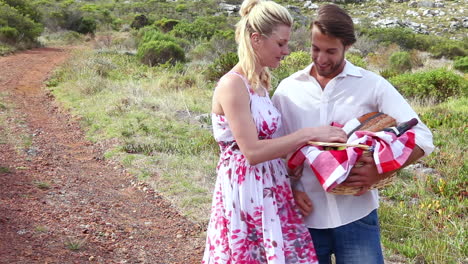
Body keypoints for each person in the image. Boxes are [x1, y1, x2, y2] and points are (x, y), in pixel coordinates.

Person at [272, 4, 435, 264]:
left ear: (347, 46)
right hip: (304, 217)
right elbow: (275, 150)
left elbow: (423, 136)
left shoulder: (372, 85)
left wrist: (382, 171)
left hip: (357, 216)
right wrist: (290, 188)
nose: (322, 58)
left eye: (331, 51)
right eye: (315, 49)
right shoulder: (287, 90)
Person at [202, 0, 348, 263]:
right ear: (256, 39)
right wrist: (308, 134)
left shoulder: (258, 84)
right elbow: (252, 152)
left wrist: (291, 183)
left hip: (270, 188)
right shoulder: (232, 85)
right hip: (246, 193)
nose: (286, 51)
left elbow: (271, 146)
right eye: (281, 43)